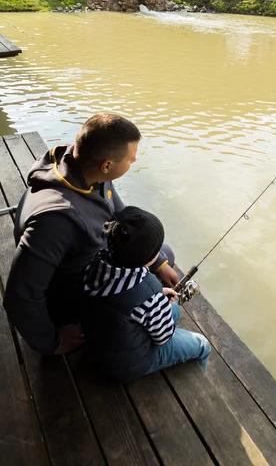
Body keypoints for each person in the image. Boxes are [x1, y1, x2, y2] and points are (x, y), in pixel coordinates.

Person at [3, 113, 179, 356]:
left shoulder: (86, 169)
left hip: (85, 263)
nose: (135, 160)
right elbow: (19, 296)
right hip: (69, 293)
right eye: (130, 159)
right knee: (147, 282)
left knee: (164, 254)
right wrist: (52, 341)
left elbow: (121, 216)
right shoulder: (54, 221)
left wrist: (158, 262)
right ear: (107, 165)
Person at [82, 206, 211, 383]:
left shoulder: (98, 262)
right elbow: (163, 336)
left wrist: (158, 300)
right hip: (128, 365)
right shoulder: (149, 289)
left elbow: (126, 301)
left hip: (98, 345)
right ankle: (200, 384)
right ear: (148, 258)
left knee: (173, 310)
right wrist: (157, 301)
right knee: (202, 344)